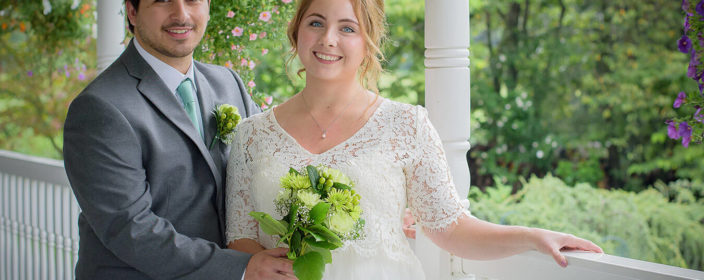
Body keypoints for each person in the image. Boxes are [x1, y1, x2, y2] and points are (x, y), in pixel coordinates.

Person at [225, 0, 603, 279]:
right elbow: (240, 239)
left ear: (367, 42)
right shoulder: (250, 135)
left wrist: (534, 237)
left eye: (347, 28)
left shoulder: (407, 124)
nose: (328, 39)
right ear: (296, 32)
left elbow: (453, 228)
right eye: (316, 22)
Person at [63, 0, 295, 279]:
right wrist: (242, 268)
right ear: (132, 11)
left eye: (193, 0)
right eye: (162, 1)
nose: (181, 14)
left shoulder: (228, 83)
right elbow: (130, 229)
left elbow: (272, 163)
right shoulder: (100, 107)